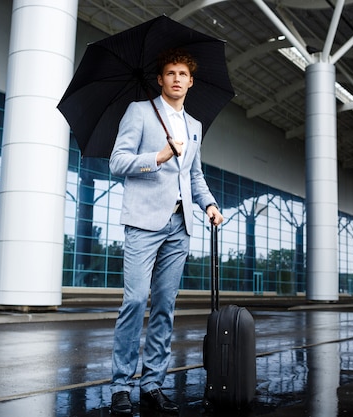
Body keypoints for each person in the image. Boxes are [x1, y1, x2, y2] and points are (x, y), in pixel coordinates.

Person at [108, 48, 224, 416]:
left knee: (165, 308)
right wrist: (156, 157)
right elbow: (117, 162)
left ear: (190, 81)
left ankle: (152, 383)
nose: (176, 78)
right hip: (143, 222)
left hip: (180, 225)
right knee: (136, 301)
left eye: (182, 74)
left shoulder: (194, 126)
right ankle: (120, 386)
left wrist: (209, 204)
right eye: (170, 73)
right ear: (160, 79)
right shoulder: (139, 112)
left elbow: (194, 175)